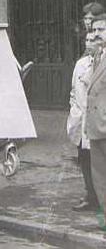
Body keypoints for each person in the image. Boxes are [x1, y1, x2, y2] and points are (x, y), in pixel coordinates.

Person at [68, 32, 99, 211]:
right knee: (85, 161)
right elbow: (73, 90)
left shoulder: (101, 64)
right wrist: (74, 111)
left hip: (98, 122)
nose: (88, 44)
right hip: (81, 122)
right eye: (86, 40)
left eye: (93, 40)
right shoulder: (80, 64)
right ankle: (90, 196)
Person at [86, 14, 106, 230]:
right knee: (100, 180)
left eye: (102, 29)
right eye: (95, 29)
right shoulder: (97, 56)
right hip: (96, 129)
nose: (97, 33)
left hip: (105, 127)